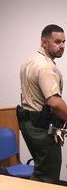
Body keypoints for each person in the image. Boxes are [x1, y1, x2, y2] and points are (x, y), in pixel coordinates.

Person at [18, 24, 67, 184]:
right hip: (41, 128)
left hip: (29, 124)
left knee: (41, 171)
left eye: (64, 42)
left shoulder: (30, 61)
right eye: (57, 42)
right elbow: (55, 103)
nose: (62, 46)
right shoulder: (46, 66)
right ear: (44, 42)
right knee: (47, 176)